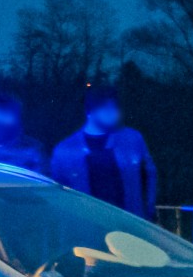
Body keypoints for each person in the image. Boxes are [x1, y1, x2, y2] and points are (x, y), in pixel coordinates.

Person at [49, 88, 158, 220]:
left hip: (129, 223)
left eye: (115, 107)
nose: (113, 113)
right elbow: (57, 191)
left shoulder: (132, 139)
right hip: (87, 226)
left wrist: (149, 208)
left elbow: (149, 175)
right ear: (89, 111)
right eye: (105, 108)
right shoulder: (65, 150)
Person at [0, 93, 45, 173]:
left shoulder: (32, 149)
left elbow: (41, 179)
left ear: (17, 117)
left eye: (6, 114)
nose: (0, 119)